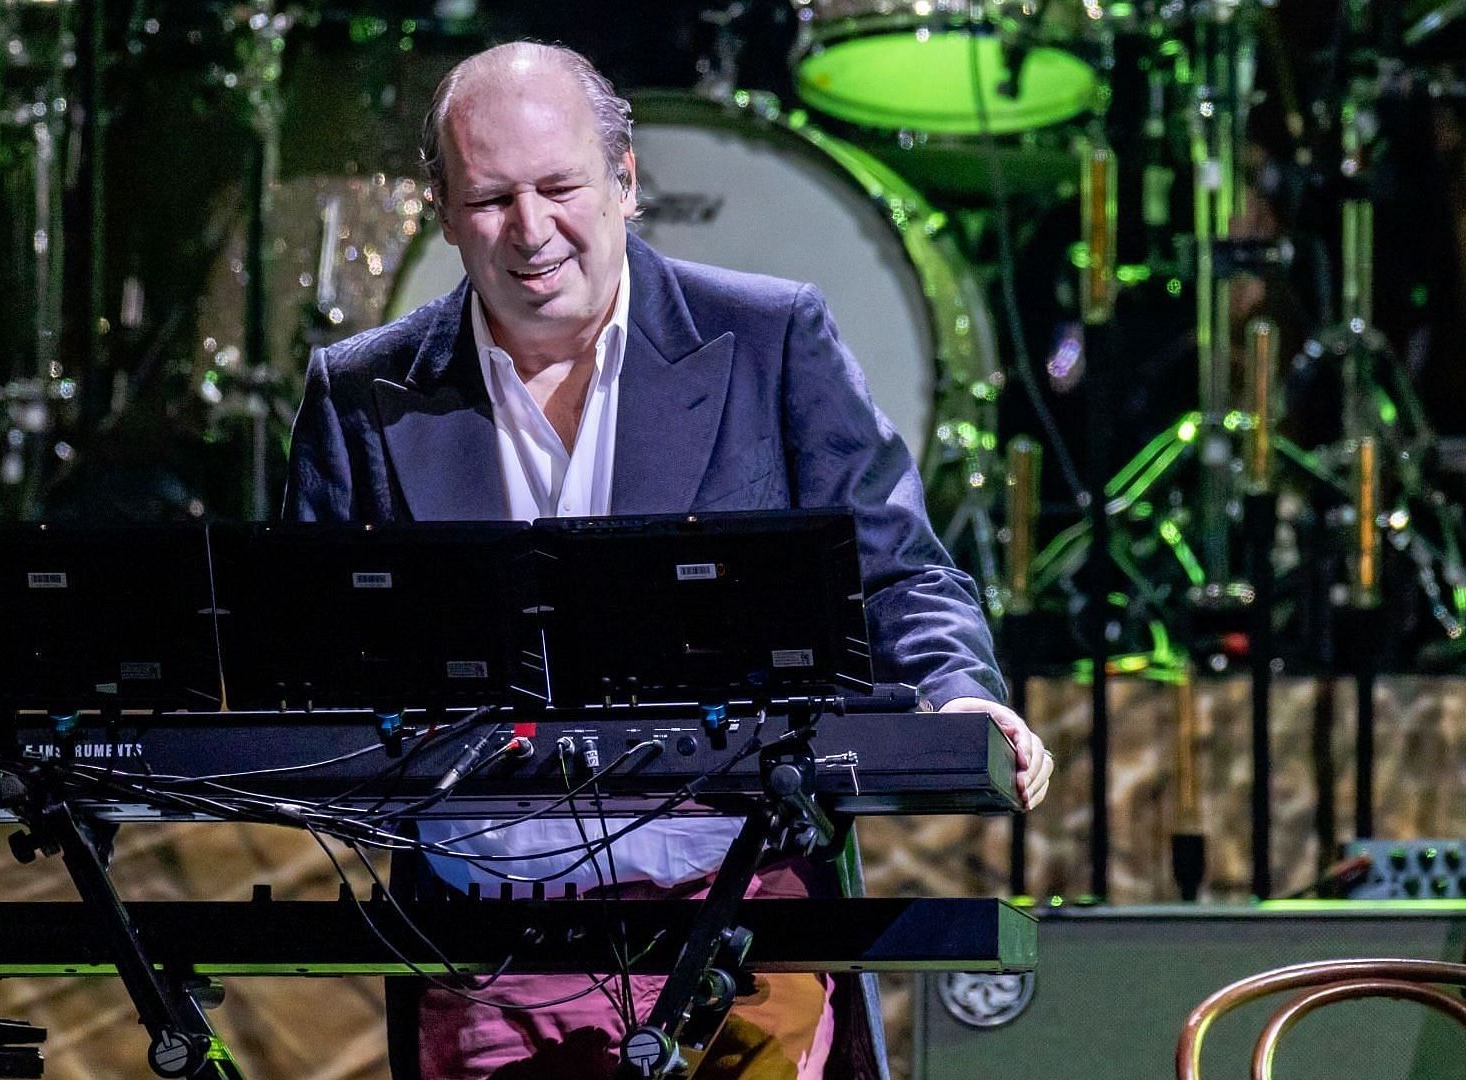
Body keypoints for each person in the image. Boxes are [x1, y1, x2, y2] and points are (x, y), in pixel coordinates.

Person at [283, 41, 1054, 1080]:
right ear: (443, 204)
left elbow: (899, 574)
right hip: (481, 942)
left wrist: (960, 694)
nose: (531, 231)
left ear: (626, 181)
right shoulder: (358, 392)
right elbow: (307, 643)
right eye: (491, 199)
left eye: (559, 187)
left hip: (736, 917)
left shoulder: (771, 338)